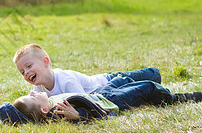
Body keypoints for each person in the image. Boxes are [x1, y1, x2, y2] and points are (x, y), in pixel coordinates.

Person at [0, 76, 202, 125]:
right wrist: (78, 116)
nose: (34, 92)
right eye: (32, 97)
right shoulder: (59, 110)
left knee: (121, 79)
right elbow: (87, 114)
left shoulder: (50, 102)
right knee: (147, 86)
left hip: (101, 93)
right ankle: (174, 99)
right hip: (110, 101)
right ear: (43, 111)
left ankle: (134, 89)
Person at [14, 43, 162, 97]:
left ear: (46, 62)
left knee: (149, 76)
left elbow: (86, 100)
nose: (26, 73)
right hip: (108, 90)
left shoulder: (65, 80)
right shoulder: (38, 88)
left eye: (29, 66)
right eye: (22, 72)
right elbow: (31, 105)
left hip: (108, 81)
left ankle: (154, 73)